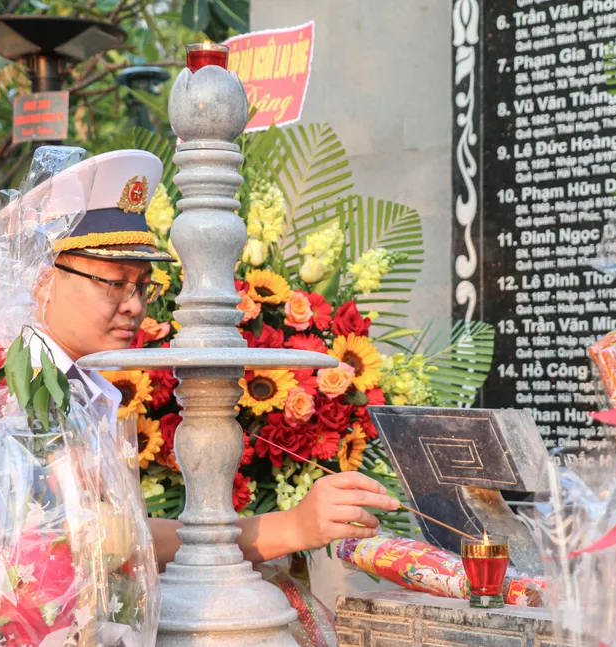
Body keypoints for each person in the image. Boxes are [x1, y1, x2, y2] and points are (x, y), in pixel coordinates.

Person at [26, 149, 399, 571]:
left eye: (142, 286)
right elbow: (85, 541)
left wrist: (294, 526)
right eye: (114, 283)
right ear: (43, 281)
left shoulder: (77, 384)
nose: (134, 306)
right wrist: (291, 527)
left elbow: (122, 534)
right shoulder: (6, 393)